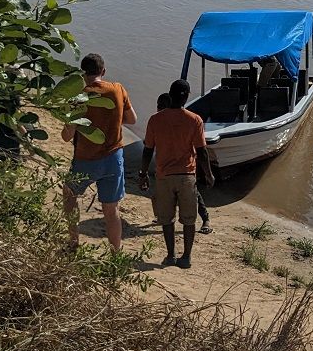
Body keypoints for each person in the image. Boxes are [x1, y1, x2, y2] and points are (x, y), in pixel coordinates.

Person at [61, 52, 136, 253]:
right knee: (111, 210)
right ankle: (115, 252)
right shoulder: (118, 90)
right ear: (103, 71)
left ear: (83, 74)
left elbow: (67, 136)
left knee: (69, 195)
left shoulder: (79, 98)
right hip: (114, 158)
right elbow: (132, 120)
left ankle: (73, 242)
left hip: (86, 159)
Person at [139, 79, 214, 268]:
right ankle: (186, 257)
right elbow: (202, 151)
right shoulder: (194, 120)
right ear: (187, 96)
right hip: (187, 176)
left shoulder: (155, 119)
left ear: (169, 95)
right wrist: (208, 174)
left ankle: (171, 255)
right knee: (189, 220)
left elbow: (148, 149)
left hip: (164, 176)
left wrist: (143, 173)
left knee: (167, 219)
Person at [155, 91, 211, 233]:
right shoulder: (159, 120)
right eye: (158, 106)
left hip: (185, 167)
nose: (159, 109)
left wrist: (207, 173)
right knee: (158, 194)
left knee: (195, 195)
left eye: (162, 106)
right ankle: (161, 217)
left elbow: (200, 149)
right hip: (165, 167)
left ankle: (206, 219)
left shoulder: (184, 120)